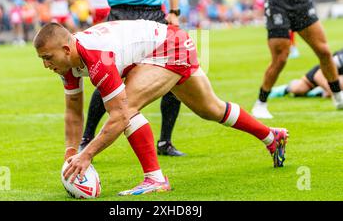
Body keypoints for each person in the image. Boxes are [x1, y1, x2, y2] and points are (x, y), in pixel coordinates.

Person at [33, 21, 289, 195]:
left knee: (126, 108)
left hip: (168, 47)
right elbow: (73, 110)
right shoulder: (67, 64)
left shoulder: (97, 56)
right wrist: (70, 152)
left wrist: (86, 154)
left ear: (66, 49)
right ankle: (271, 136)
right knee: (210, 109)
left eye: (48, 58)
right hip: (167, 42)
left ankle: (155, 179)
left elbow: (120, 116)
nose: (46, 65)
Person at [80, 0, 185, 156]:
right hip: (122, 15)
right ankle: (86, 138)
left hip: (155, 15)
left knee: (175, 73)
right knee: (108, 77)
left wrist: (174, 10)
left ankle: (165, 142)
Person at [270, 49, 343, 99]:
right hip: (323, 74)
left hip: (336, 79)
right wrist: (335, 92)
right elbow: (319, 73)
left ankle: (320, 91)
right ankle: (285, 88)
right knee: (298, 89)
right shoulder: (340, 57)